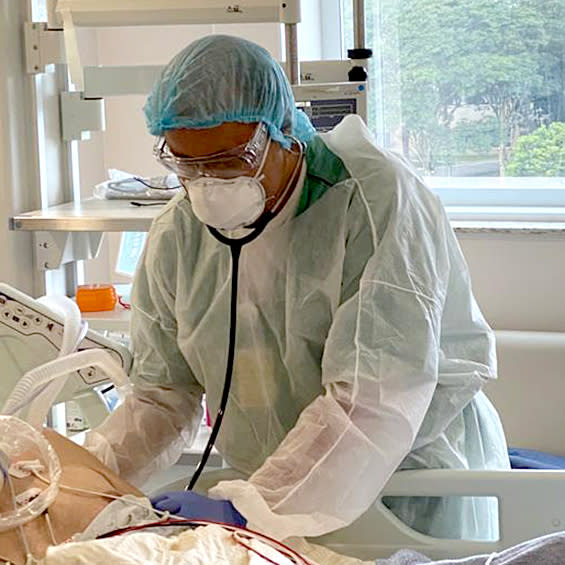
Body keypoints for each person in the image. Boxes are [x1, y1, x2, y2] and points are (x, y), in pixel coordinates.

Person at [84, 34, 510, 543]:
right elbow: (161, 394)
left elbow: (372, 399)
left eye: (229, 161)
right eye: (188, 166)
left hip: (402, 482)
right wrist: (82, 477)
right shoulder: (179, 235)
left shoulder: (373, 204)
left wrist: (255, 508)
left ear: (282, 132)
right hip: (267, 490)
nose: (208, 185)